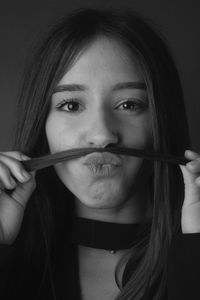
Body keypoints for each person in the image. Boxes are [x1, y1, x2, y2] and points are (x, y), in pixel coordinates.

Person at [0, 7, 199, 300]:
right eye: (71, 105)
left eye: (129, 104)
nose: (102, 135)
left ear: (162, 120)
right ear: (42, 124)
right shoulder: (14, 260)